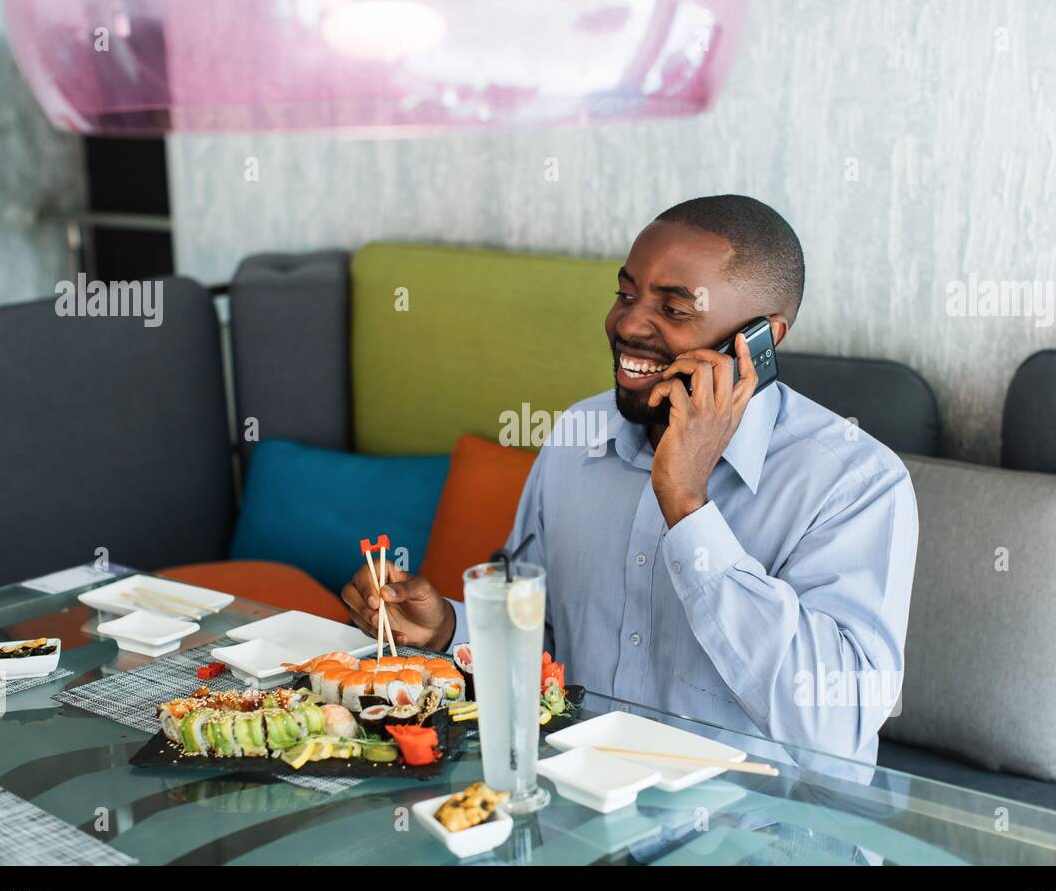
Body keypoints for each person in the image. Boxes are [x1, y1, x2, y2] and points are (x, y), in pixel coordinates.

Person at [342, 194, 918, 763]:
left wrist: (688, 509)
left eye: (673, 309)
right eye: (625, 293)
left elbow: (836, 727)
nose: (628, 324)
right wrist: (447, 630)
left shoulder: (856, 483)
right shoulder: (577, 434)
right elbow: (542, 646)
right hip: (578, 808)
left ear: (761, 339)